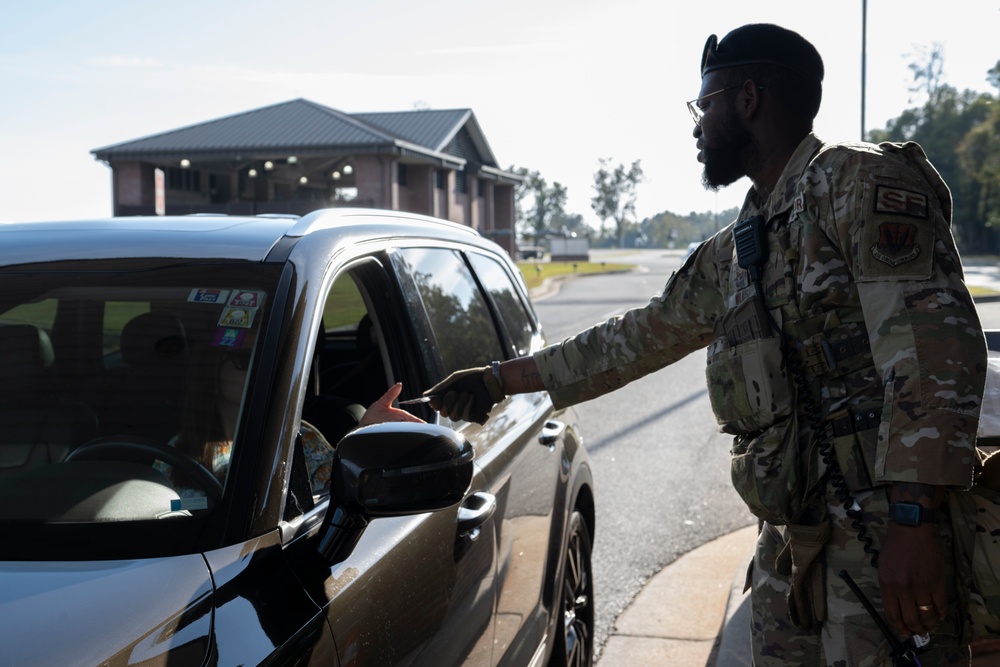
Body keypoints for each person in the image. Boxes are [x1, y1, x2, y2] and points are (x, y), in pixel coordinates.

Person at [424, 23, 987, 666]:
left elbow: (934, 356)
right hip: (790, 535)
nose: (696, 124)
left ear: (748, 98)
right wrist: (499, 380)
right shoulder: (742, 244)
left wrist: (914, 524)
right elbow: (635, 338)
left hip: (884, 530)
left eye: (704, 104)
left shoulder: (860, 186)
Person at [161, 341, 422, 497]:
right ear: (211, 372)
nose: (257, 367)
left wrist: (365, 435)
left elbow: (342, 492)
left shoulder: (299, 437)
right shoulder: (178, 450)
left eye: (264, 357)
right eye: (243, 359)